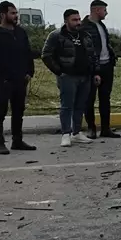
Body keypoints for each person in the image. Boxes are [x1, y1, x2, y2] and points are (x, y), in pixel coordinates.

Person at [0, 1, 36, 155]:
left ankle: (17, 141)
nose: (16, 16)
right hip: (3, 81)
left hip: (21, 79)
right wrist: (0, 77)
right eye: (12, 13)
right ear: (2, 15)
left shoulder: (21, 33)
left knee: (18, 111)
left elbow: (28, 53)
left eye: (16, 13)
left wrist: (29, 72)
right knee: (0, 110)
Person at [43, 9, 98, 147]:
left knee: (80, 105)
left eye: (79, 19)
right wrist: (59, 71)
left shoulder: (85, 35)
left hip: (85, 76)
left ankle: (76, 132)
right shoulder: (57, 36)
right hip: (68, 76)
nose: (78, 22)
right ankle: (65, 134)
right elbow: (46, 55)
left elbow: (92, 54)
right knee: (67, 106)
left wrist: (95, 72)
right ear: (66, 21)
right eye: (74, 20)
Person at [81, 0, 120, 139]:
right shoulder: (84, 27)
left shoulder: (101, 26)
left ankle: (105, 128)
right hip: (92, 68)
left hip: (107, 66)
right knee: (89, 98)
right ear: (97, 10)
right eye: (104, 10)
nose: (106, 13)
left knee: (105, 98)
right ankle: (91, 128)